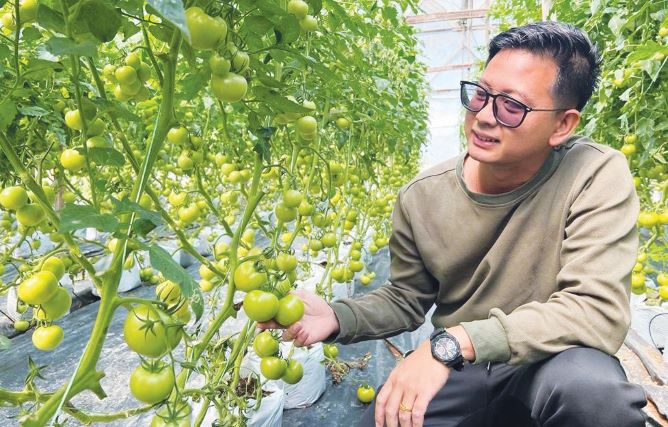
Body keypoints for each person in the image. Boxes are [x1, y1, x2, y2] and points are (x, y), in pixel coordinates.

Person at [259, 21, 648, 426]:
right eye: (481, 95)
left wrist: (452, 344)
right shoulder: (422, 197)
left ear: (563, 125)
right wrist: (339, 316)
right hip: (464, 366)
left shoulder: (594, 173)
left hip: (551, 359)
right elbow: (408, 298)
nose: (483, 116)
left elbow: (594, 310)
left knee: (596, 397)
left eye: (511, 106)